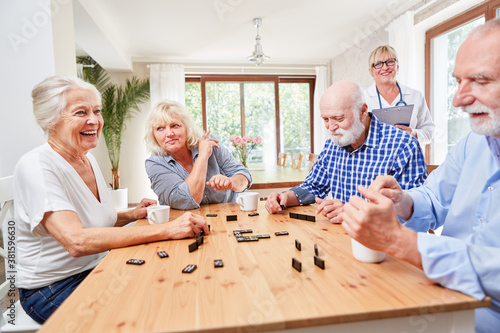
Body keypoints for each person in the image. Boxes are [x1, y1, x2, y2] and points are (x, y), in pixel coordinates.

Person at [342, 18, 500, 333]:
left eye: (480, 81)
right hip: (441, 297)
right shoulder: (474, 141)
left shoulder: (414, 100)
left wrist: (406, 244)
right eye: (458, 81)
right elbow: (433, 195)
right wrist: (401, 201)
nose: (458, 99)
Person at [14, 76, 208, 324]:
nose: (94, 120)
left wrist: (129, 215)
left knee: (173, 283)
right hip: (53, 288)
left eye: (96, 111)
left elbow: (88, 220)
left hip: (97, 266)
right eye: (80, 112)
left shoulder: (87, 158)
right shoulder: (37, 166)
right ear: (50, 120)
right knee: (153, 314)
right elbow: (77, 241)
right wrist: (167, 229)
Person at [265, 80, 427, 222]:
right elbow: (313, 185)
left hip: (386, 244)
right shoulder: (332, 145)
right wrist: (286, 197)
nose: (331, 127)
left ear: (363, 112)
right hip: (340, 237)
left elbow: (415, 211)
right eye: (326, 119)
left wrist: (355, 212)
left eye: (339, 118)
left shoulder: (403, 145)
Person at [144, 100, 252, 210]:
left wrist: (231, 182)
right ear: (153, 135)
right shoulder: (154, 164)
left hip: (227, 218)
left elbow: (244, 176)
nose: (169, 134)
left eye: (175, 126)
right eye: (160, 128)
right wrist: (203, 156)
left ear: (187, 127)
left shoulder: (209, 142)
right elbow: (185, 201)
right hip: (183, 224)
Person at [364, 45, 435, 146]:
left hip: (408, 158)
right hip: (376, 159)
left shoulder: (415, 96)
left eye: (390, 61)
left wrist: (413, 133)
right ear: (371, 71)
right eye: (378, 64)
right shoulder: (362, 99)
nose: (385, 67)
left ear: (397, 66)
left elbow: (429, 132)